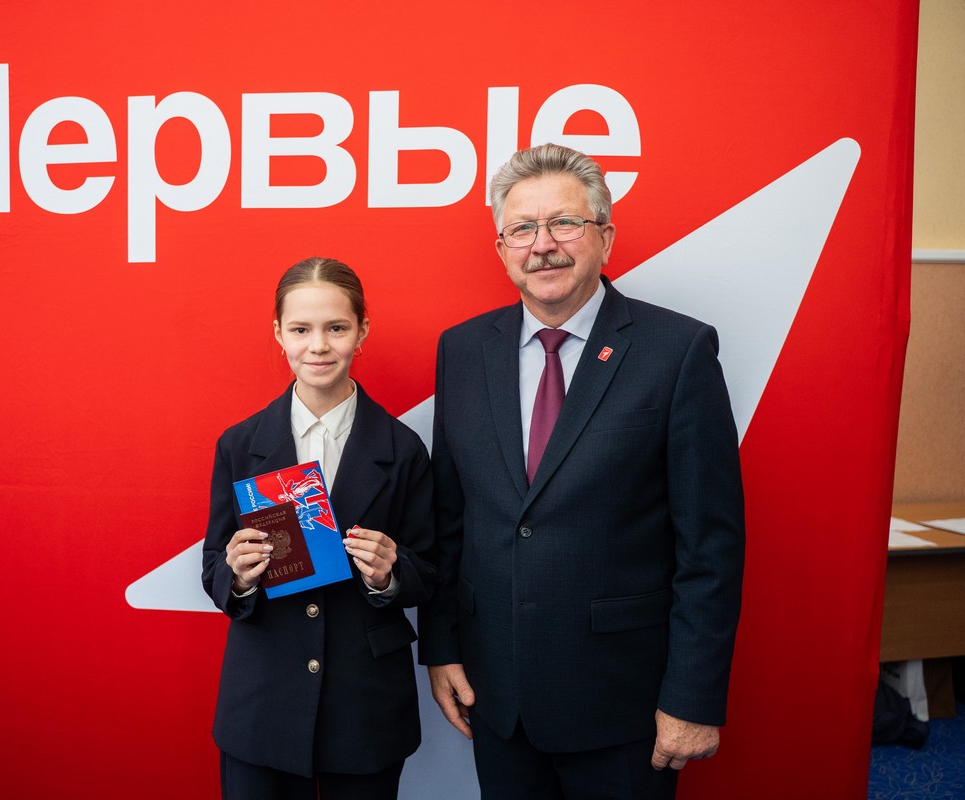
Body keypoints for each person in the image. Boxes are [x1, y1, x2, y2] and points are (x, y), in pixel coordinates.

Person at [419, 144, 745, 800]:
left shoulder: (677, 352)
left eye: (564, 223)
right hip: (498, 697)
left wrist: (692, 697)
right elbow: (450, 519)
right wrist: (442, 647)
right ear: (502, 249)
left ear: (605, 237)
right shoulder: (462, 350)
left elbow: (710, 546)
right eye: (522, 229)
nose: (543, 245)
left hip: (624, 706)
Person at [201, 257, 437, 800]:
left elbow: (430, 570)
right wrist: (238, 576)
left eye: (336, 328)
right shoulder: (239, 445)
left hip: (365, 706)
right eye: (301, 330)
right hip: (262, 700)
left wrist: (391, 574)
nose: (318, 346)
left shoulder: (403, 450)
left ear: (362, 331)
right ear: (278, 333)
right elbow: (214, 566)